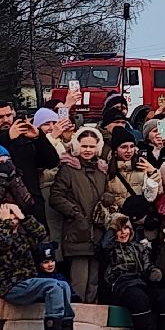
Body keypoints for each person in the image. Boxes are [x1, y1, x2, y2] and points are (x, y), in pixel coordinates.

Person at [0, 203, 83, 330]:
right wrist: (6, 223)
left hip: (28, 282)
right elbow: (0, 244)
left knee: (63, 285)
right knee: (53, 286)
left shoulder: (24, 236)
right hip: (9, 285)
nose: (14, 218)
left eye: (16, 214)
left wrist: (24, 218)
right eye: (11, 215)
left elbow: (41, 233)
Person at [49, 126, 109, 303]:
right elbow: (55, 196)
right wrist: (74, 213)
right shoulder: (68, 169)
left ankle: (90, 316)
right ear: (77, 146)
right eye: (84, 146)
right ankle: (75, 315)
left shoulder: (101, 170)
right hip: (77, 231)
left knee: (94, 283)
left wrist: (108, 199)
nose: (88, 150)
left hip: (97, 231)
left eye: (91, 146)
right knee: (79, 282)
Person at [0, 102, 60, 222]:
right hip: (2, 204)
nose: (6, 120)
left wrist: (38, 137)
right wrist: (7, 137)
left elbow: (51, 162)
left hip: (31, 199)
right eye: (0, 117)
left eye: (9, 115)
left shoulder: (24, 136)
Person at [99, 213, 159, 330]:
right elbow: (104, 246)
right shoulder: (111, 249)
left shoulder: (138, 247)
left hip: (140, 281)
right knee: (138, 298)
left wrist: (153, 271)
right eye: (119, 230)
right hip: (120, 284)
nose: (123, 232)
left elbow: (147, 265)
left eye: (126, 228)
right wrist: (113, 226)